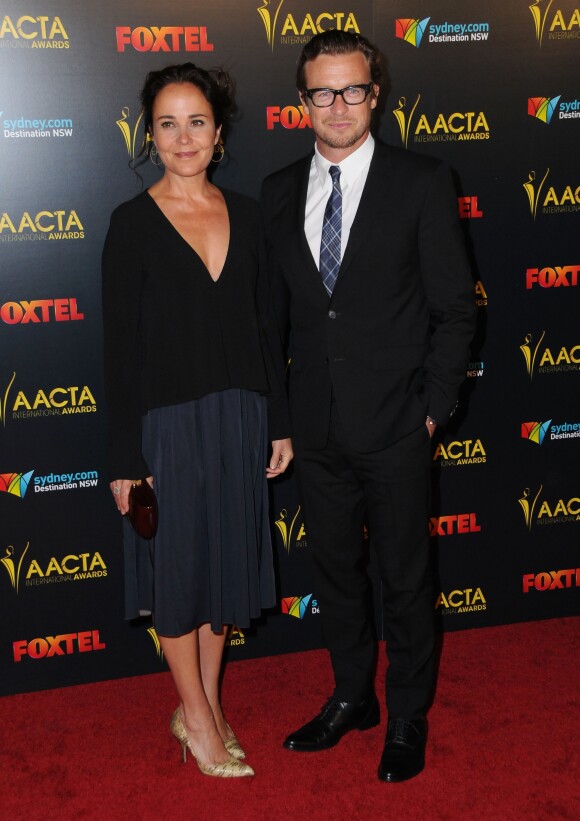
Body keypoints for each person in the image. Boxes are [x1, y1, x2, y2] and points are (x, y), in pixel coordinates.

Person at [260, 31, 476, 782]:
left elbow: (456, 310)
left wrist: (431, 410)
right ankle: (353, 697)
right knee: (338, 575)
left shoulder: (422, 180)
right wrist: (282, 418)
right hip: (316, 428)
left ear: (375, 94)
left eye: (353, 90)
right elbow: (277, 319)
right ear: (302, 102)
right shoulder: (280, 189)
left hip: (396, 426)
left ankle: (407, 713)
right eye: (323, 91)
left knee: (407, 579)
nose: (339, 106)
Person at [102, 62, 292, 779]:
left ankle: (201, 706)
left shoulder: (248, 214)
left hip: (240, 416)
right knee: (179, 575)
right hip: (168, 428)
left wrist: (278, 418)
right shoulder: (130, 225)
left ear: (219, 132)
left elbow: (264, 329)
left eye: (198, 121)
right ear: (149, 135)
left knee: (222, 571)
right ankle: (201, 720)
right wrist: (124, 459)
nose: (184, 138)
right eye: (167, 123)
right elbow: (118, 353)